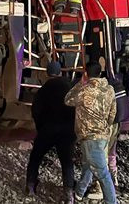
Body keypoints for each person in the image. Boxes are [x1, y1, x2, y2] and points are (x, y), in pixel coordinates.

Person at [64, 62, 118, 204]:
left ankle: (112, 202)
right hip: (103, 134)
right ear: (100, 73)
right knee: (88, 165)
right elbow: (113, 113)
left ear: (86, 74)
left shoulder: (85, 90)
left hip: (89, 136)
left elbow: (68, 100)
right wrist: (105, 126)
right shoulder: (109, 89)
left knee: (103, 173)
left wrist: (80, 84)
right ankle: (79, 193)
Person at [25, 61, 76, 203]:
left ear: (48, 74)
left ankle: (30, 186)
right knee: (67, 162)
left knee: (36, 157)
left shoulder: (43, 90)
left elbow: (36, 111)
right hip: (67, 131)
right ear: (60, 72)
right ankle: (69, 194)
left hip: (48, 129)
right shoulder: (70, 87)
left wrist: (41, 128)